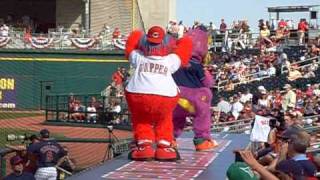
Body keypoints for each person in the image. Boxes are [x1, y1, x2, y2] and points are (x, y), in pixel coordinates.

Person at [124, 26, 192, 161]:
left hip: (138, 93)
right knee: (164, 119)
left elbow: (130, 45)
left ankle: (145, 148)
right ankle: (165, 148)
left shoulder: (139, 56)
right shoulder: (170, 59)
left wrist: (138, 34)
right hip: (165, 95)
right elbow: (185, 48)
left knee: (142, 120)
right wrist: (180, 39)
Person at [172, 26, 218, 151]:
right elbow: (208, 82)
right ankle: (201, 141)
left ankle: (169, 140)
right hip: (194, 101)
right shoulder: (197, 65)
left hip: (176, 98)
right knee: (203, 112)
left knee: (175, 118)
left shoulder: (175, 62)